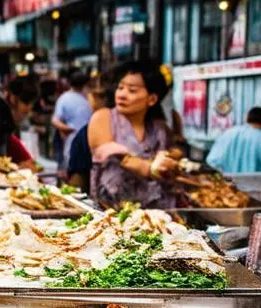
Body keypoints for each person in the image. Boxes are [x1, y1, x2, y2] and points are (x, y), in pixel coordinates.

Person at [88, 61, 179, 209]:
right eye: (121, 87)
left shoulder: (160, 128)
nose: (122, 94)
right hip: (110, 212)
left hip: (155, 213)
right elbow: (105, 149)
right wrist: (148, 167)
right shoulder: (103, 117)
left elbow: (173, 152)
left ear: (152, 99)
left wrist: (169, 161)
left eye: (132, 90)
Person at [206, 107, 261, 174]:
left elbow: (212, 161)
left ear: (247, 118)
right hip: (257, 191)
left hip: (228, 191)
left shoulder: (229, 133)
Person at [66, 79, 110, 191]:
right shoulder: (156, 129)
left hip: (99, 205)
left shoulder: (84, 134)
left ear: (93, 98)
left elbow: (77, 184)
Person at [52, 70, 93, 173]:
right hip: (75, 140)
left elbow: (55, 120)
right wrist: (67, 129)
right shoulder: (67, 98)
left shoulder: (87, 97)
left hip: (83, 140)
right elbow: (55, 120)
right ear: (85, 84)